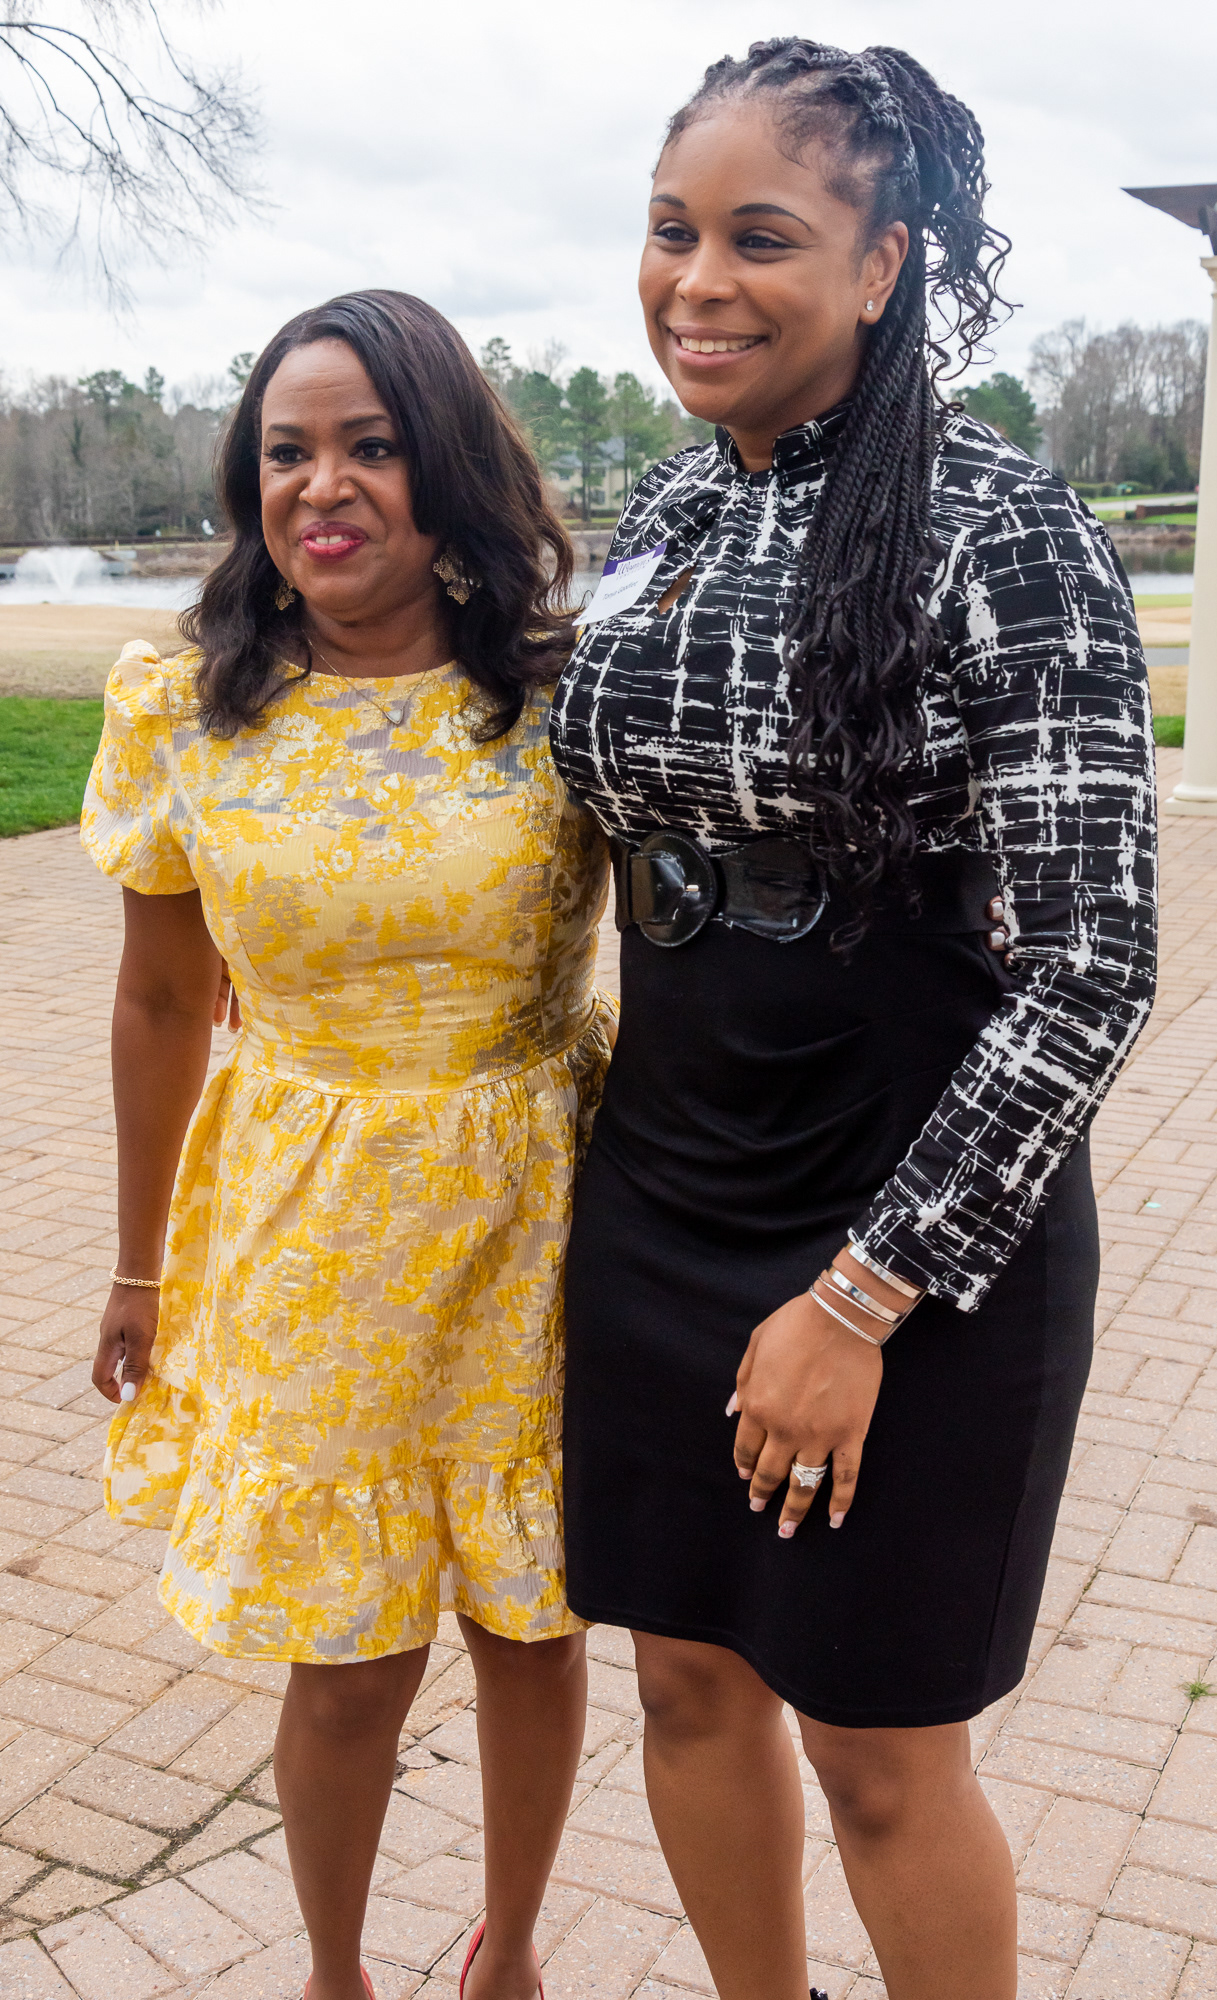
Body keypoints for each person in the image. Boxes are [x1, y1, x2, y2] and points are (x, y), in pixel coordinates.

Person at [551, 39, 1156, 2000]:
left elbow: (1092, 965)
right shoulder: (661, 512)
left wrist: (859, 1299)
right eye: (670, 231)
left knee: (880, 1755)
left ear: (883, 264)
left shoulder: (1004, 528)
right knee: (683, 1680)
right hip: (664, 1183)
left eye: (761, 237)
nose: (696, 282)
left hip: (907, 1218)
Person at [82, 291, 614, 2000]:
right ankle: (333, 1974)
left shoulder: (565, 697)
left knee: (530, 1617)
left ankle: (509, 1951)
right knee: (347, 1647)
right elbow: (161, 1003)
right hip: (312, 1227)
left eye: (371, 446)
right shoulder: (182, 707)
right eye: (287, 452)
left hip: (541, 1203)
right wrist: (138, 1265)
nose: (323, 486)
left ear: (444, 467)